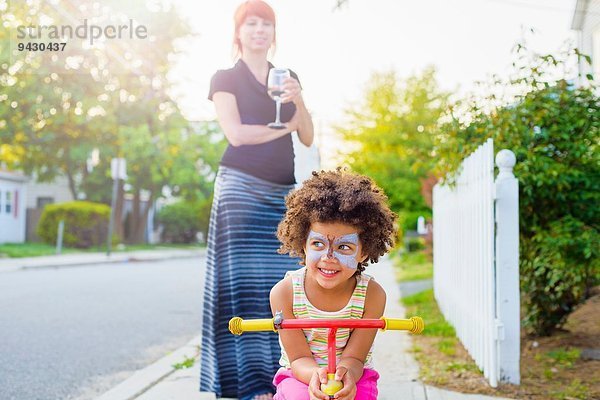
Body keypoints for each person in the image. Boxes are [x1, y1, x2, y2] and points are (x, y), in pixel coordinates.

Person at [199, 1, 314, 399]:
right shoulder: (225, 77)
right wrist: (282, 126)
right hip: (240, 189)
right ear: (239, 31)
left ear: (273, 32)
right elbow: (236, 135)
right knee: (242, 290)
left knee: (282, 288)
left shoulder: (287, 77)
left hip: (282, 193)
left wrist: (298, 101)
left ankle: (280, 381)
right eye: (252, 23)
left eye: (267, 24)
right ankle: (245, 387)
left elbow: (308, 136)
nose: (259, 30)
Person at [271, 169, 397, 400]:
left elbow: (355, 357)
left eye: (344, 247)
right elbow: (298, 358)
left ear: (364, 251)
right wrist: (316, 376)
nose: (329, 257)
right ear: (303, 245)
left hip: (353, 373)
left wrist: (344, 375)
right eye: (318, 243)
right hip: (301, 374)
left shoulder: (372, 295)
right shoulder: (285, 292)